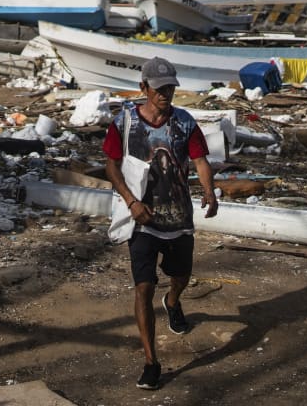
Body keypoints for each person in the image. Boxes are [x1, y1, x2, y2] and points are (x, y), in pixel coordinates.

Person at [103, 57, 218, 391]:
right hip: (141, 219)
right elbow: (110, 165)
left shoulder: (184, 122)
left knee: (180, 276)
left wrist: (209, 192)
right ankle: (151, 362)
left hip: (179, 218)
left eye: (170, 87)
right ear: (144, 88)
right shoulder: (124, 122)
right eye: (159, 88)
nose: (166, 93)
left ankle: (174, 301)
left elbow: (200, 160)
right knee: (143, 287)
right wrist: (131, 201)